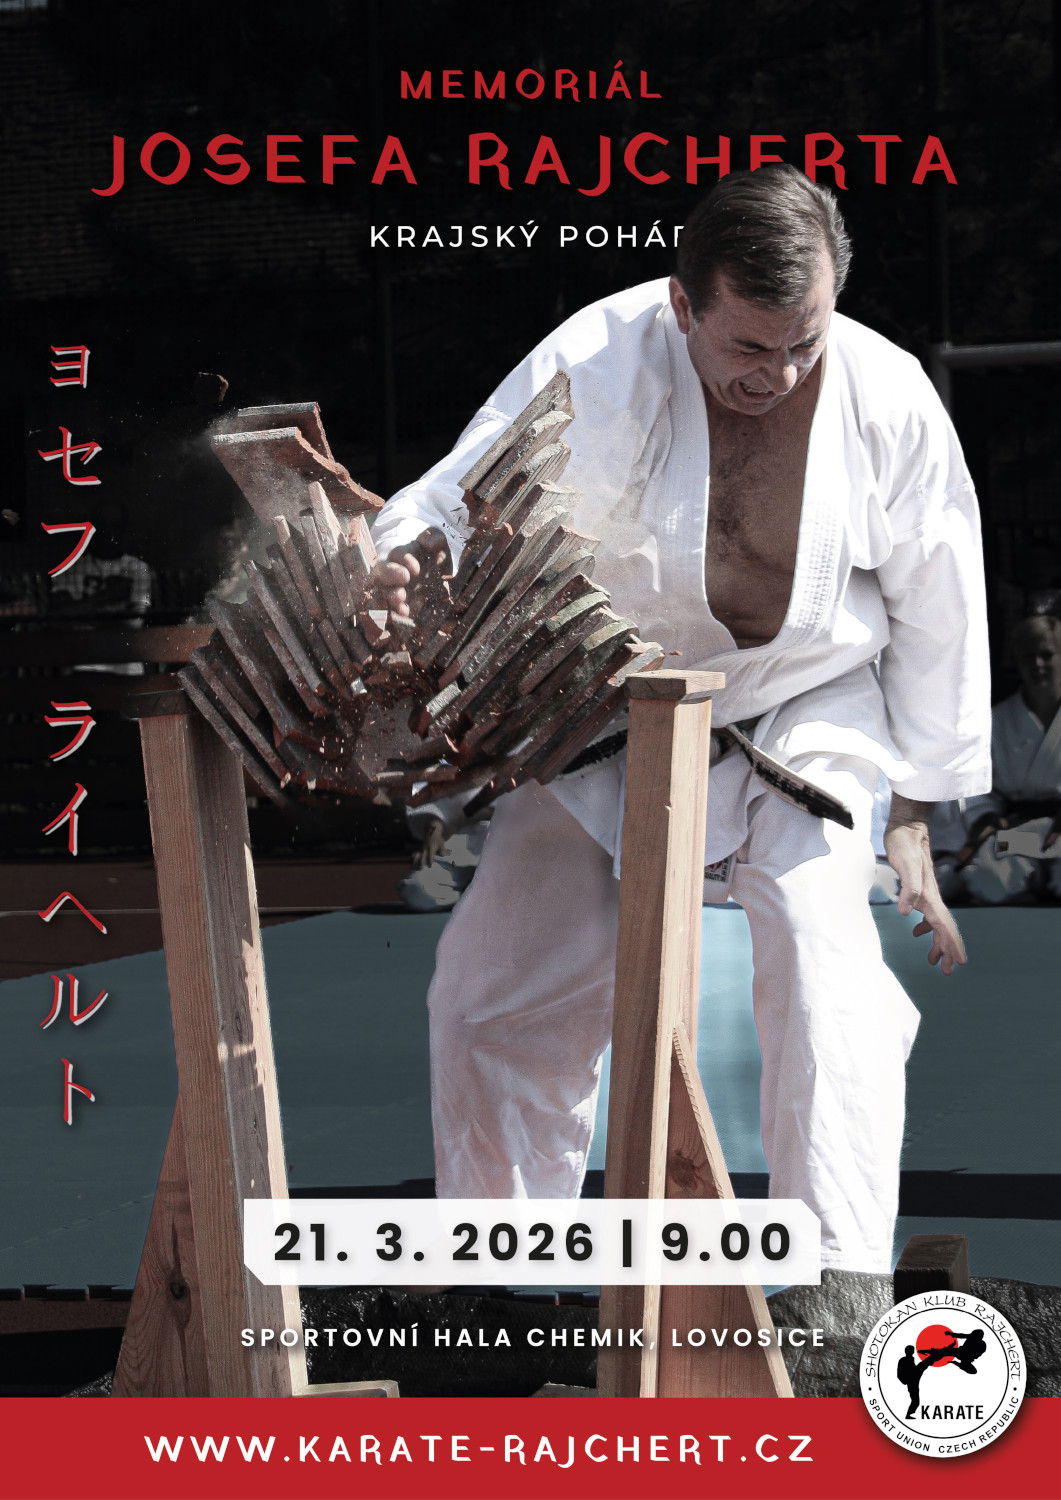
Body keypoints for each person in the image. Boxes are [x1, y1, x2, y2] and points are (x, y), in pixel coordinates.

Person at [370, 166, 991, 1273]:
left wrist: (912, 812)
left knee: (821, 961)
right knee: (485, 995)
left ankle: (833, 1276)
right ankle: (503, 1272)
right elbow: (459, 502)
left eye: (801, 342)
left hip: (803, 704)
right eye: (748, 346)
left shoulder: (886, 393)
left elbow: (939, 594)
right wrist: (405, 563)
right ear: (681, 302)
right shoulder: (598, 359)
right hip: (610, 707)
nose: (777, 373)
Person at [948, 613, 1061, 903]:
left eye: (1046, 655)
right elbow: (980, 788)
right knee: (989, 878)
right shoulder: (997, 720)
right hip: (1020, 831)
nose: (1037, 665)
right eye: (1028, 657)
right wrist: (986, 816)